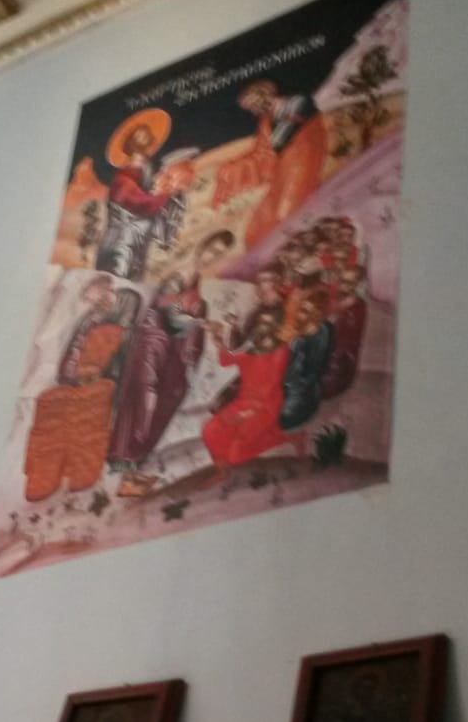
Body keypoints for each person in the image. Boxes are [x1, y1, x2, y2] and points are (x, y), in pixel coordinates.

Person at [106, 231, 235, 497]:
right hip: (153, 346)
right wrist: (202, 323)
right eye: (212, 250)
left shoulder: (196, 284)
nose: (213, 257)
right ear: (203, 246)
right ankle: (124, 463)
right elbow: (171, 315)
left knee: (167, 399)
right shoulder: (179, 277)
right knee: (145, 403)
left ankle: (134, 467)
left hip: (170, 355)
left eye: (219, 254)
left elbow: (187, 327)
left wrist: (201, 329)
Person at [24, 276, 139, 501]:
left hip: (102, 383)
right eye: (89, 298)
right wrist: (69, 376)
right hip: (74, 383)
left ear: (107, 289)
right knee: (49, 409)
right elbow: (72, 354)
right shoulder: (90, 319)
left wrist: (96, 375)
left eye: (94, 295)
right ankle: (44, 476)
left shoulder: (123, 313)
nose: (90, 302)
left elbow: (117, 354)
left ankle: (79, 476)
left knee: (86, 422)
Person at [96, 109, 193, 282]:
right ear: (130, 144)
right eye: (139, 136)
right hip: (123, 235)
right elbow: (141, 203)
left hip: (140, 235)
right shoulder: (123, 179)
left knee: (135, 274)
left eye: (146, 135)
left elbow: (153, 196)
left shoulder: (147, 169)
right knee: (119, 273)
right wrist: (164, 195)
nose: (144, 139)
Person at [200, 315, 293, 484]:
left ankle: (286, 438)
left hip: (266, 406)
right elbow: (226, 360)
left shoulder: (280, 351)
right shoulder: (250, 349)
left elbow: (271, 387)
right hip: (243, 403)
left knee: (235, 456)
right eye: (260, 326)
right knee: (209, 431)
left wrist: (248, 413)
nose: (262, 331)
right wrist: (218, 338)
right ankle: (221, 472)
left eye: (268, 326)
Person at [237, 80, 327, 247]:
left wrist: (278, 144)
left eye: (254, 105)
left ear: (263, 98)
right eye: (251, 108)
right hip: (288, 163)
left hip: (304, 156)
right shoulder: (268, 120)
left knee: (287, 207)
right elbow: (269, 147)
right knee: (270, 208)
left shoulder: (297, 102)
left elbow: (284, 138)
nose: (254, 111)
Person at [278, 292, 336, 430]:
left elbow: (309, 374)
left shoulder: (317, 335)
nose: (300, 315)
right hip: (293, 384)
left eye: (305, 312)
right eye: (301, 309)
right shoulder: (302, 332)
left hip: (301, 391)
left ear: (317, 314)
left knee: (280, 418)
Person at [321, 265, 369, 399]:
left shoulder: (356, 309)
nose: (345, 285)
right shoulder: (335, 300)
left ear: (358, 284)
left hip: (337, 368)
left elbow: (342, 348)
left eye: (350, 282)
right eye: (342, 280)